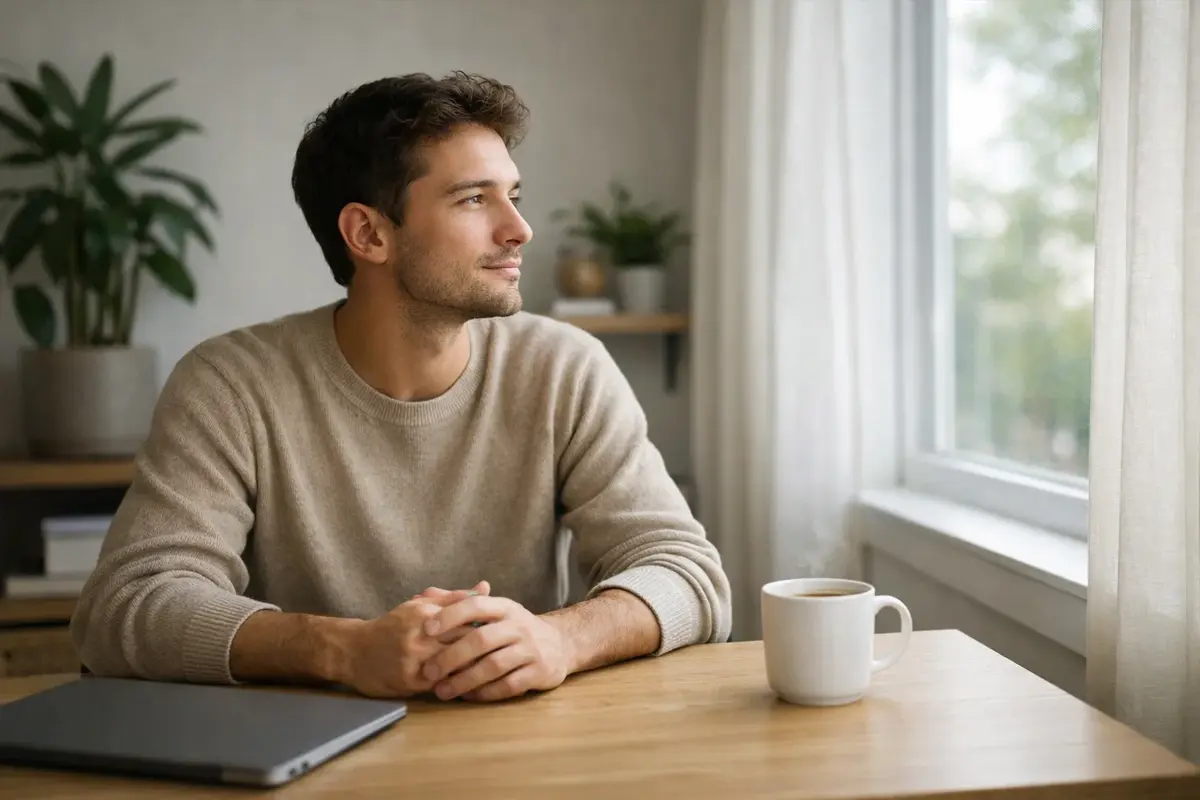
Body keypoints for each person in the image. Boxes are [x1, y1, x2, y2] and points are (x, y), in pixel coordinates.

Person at [70, 71, 732, 704]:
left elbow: (687, 573)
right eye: (474, 199)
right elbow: (125, 606)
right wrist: (345, 650)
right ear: (368, 234)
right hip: (304, 753)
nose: (519, 229)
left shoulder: (564, 368)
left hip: (520, 743)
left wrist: (561, 639)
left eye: (514, 195)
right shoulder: (231, 385)